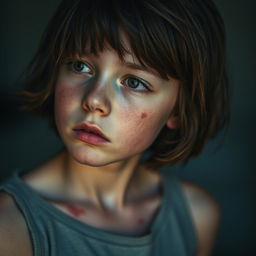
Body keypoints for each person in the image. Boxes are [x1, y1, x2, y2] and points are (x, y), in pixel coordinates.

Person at [0, 0, 230, 255]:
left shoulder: (196, 216)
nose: (94, 100)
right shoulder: (10, 227)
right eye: (80, 66)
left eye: (133, 81)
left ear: (178, 110)